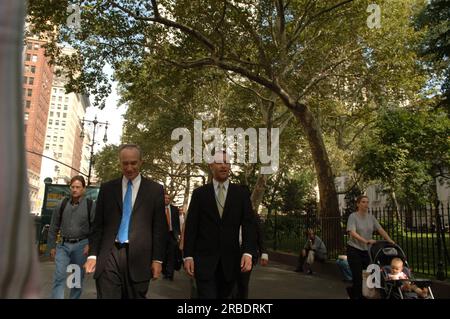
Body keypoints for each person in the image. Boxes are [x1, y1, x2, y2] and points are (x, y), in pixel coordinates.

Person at [84, 144, 167, 299]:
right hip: (110, 254)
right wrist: (92, 255)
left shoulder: (155, 190)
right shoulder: (107, 189)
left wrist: (157, 259)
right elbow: (98, 226)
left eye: (133, 163)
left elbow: (159, 229)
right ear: (119, 163)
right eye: (125, 163)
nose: (129, 168)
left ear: (141, 162)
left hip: (140, 258)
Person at [183, 151, 257, 299]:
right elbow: (191, 227)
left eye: (227, 162)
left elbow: (249, 225)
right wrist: (188, 256)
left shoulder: (241, 194)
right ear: (211, 166)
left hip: (231, 263)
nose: (224, 166)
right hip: (204, 262)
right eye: (219, 162)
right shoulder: (200, 194)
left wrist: (248, 253)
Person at [47, 175, 95, 299]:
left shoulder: (90, 205)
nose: (74, 189)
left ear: (83, 189)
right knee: (59, 276)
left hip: (81, 246)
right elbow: (53, 226)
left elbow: (95, 228)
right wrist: (52, 246)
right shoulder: (62, 204)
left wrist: (90, 245)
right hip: (63, 246)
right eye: (72, 187)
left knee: (76, 279)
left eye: (78, 187)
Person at [346, 195, 395, 299]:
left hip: (367, 251)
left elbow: (380, 229)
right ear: (358, 204)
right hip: (354, 250)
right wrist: (366, 241)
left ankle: (365, 295)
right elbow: (352, 232)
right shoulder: (353, 216)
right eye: (363, 202)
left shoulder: (371, 217)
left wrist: (390, 240)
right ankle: (357, 296)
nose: (366, 204)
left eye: (367, 202)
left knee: (370, 276)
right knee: (358, 277)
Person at [232, 212, 269, 299]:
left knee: (243, 283)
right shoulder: (230, 212)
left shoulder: (253, 216)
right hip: (232, 253)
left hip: (248, 254)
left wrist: (264, 253)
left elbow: (260, 234)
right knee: (231, 283)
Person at [162, 191, 181, 280]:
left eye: (168, 198)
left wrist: (178, 235)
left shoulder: (174, 209)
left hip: (172, 235)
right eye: (165, 198)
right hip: (162, 235)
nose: (167, 200)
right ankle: (165, 272)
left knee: (172, 255)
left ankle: (170, 274)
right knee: (164, 254)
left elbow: (177, 223)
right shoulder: (159, 208)